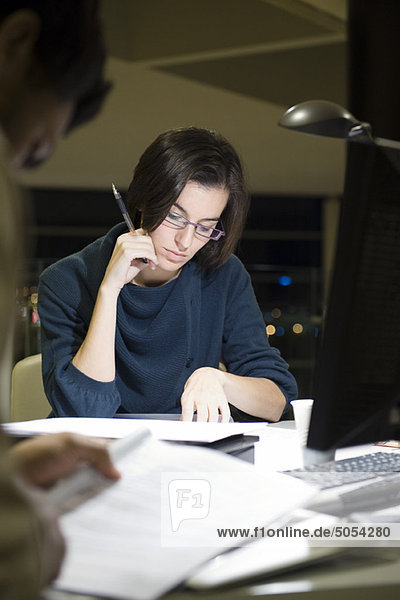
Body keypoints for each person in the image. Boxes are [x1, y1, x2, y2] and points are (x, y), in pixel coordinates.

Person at [39, 127, 298, 423]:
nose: (186, 243)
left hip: (186, 455)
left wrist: (221, 381)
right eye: (176, 217)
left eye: (205, 226)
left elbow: (277, 400)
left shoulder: (222, 275)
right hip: (100, 457)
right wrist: (109, 291)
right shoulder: (66, 280)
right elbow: (82, 413)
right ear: (143, 202)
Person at [0, 2, 120, 598]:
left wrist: (9, 475)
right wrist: (28, 538)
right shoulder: (68, 277)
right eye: (35, 152)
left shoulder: (220, 278)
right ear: (17, 42)